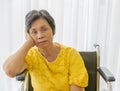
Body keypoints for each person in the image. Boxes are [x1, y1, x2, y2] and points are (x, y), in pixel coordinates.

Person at [3, 9, 88, 91]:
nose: (40, 36)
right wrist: (28, 43)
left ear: (53, 30)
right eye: (34, 32)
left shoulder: (71, 54)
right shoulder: (31, 56)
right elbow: (9, 71)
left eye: (44, 29)